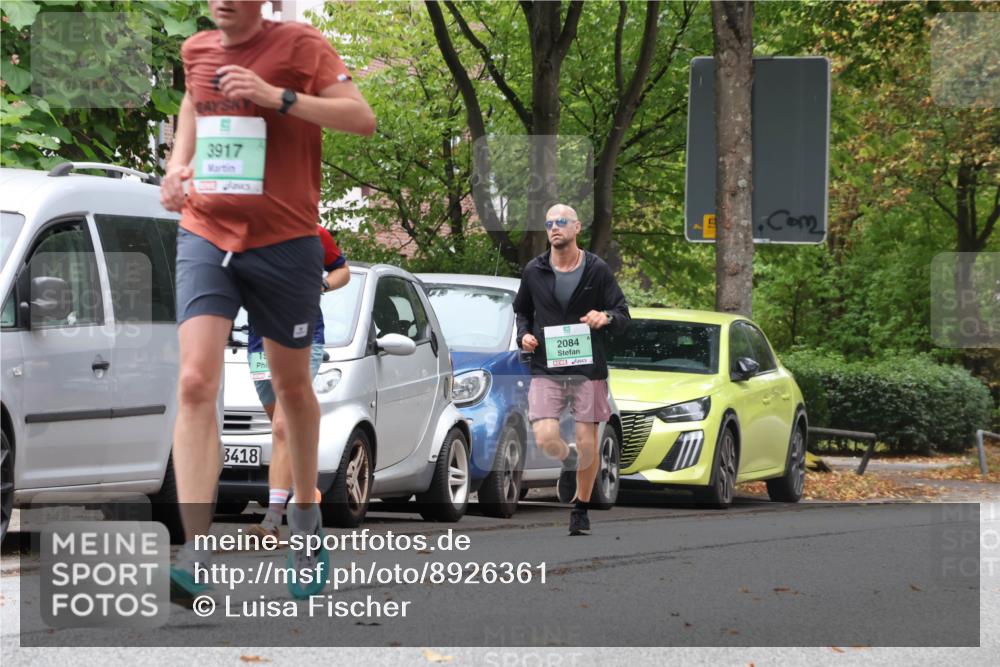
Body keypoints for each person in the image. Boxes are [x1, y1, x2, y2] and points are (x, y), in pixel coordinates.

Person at [159, 0, 375, 603]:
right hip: (206, 231)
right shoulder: (197, 50)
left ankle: (305, 524)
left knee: (292, 391)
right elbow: (193, 111)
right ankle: (194, 551)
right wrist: (178, 167)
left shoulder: (301, 46)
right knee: (197, 382)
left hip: (286, 242)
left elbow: (361, 118)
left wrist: (276, 96)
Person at [513, 204, 630, 536]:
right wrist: (524, 335)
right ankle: (566, 460)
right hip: (547, 366)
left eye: (561, 222)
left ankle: (581, 508)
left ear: (577, 227)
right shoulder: (534, 270)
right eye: (549, 222)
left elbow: (622, 314)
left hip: (588, 369)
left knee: (587, 440)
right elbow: (521, 310)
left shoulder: (597, 270)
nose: (554, 227)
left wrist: (605, 317)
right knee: (546, 436)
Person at [246, 225, 349, 539]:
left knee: (282, 426)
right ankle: (308, 492)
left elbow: (341, 271)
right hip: (259, 342)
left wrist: (321, 283)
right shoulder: (247, 233)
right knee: (287, 431)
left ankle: (272, 521)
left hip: (304, 339)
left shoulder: (313, 233)